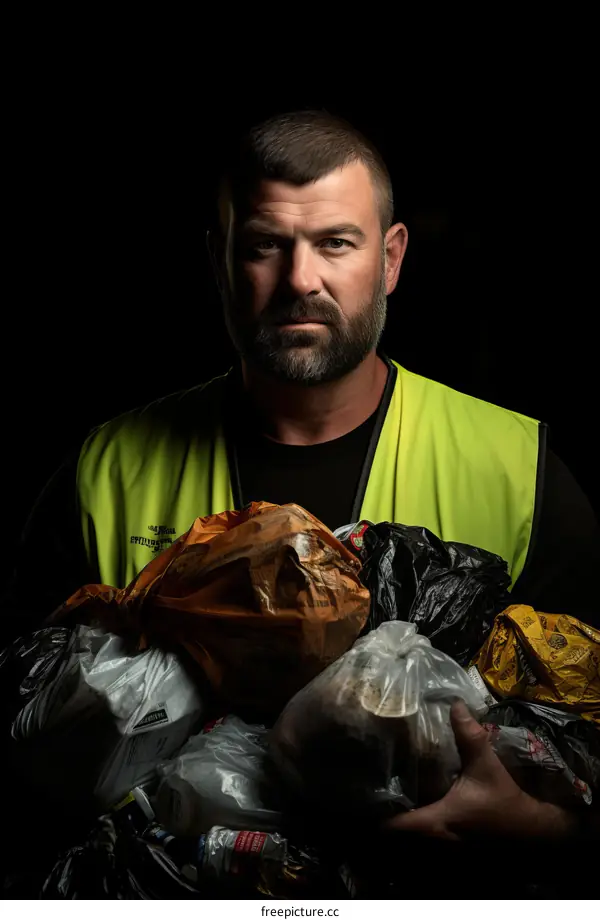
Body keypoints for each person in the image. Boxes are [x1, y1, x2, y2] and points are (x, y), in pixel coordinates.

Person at [2, 110, 599, 849]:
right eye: (263, 246)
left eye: (335, 244)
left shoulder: (517, 468)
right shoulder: (106, 471)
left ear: (390, 259)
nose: (299, 280)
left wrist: (536, 827)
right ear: (219, 259)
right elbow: (21, 754)